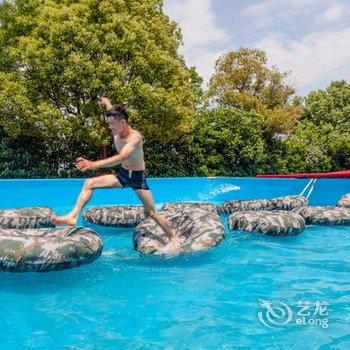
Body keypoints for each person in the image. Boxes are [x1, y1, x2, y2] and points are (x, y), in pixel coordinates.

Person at [51, 97, 180, 247]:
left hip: (137, 178)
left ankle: (173, 238)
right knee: (89, 183)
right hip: (123, 174)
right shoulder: (117, 127)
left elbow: (122, 156)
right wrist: (107, 103)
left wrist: (92, 164)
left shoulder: (134, 138)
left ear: (123, 123)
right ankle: (72, 216)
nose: (109, 127)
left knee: (152, 213)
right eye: (108, 124)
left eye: (112, 124)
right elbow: (113, 113)